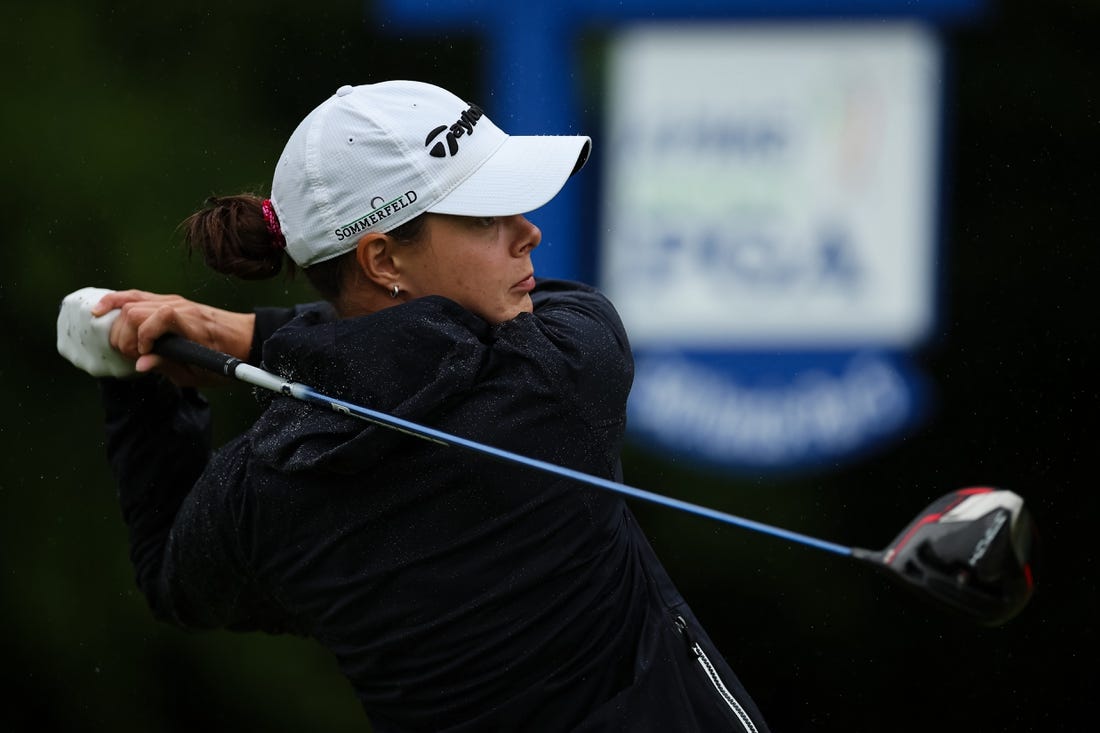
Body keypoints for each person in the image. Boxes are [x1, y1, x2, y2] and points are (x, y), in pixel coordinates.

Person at [87, 80, 771, 732]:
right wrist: (249, 335)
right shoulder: (563, 371)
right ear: (383, 259)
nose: (526, 231)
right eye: (484, 217)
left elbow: (170, 575)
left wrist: (144, 383)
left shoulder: (266, 486)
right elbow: (432, 348)